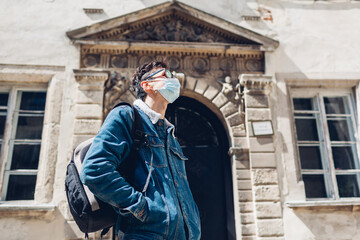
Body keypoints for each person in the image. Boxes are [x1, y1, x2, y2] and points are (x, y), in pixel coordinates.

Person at [80, 60, 201, 240]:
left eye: (173, 76)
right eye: (165, 75)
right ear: (146, 85)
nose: (173, 79)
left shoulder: (169, 134)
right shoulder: (126, 116)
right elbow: (95, 170)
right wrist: (141, 207)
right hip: (144, 234)